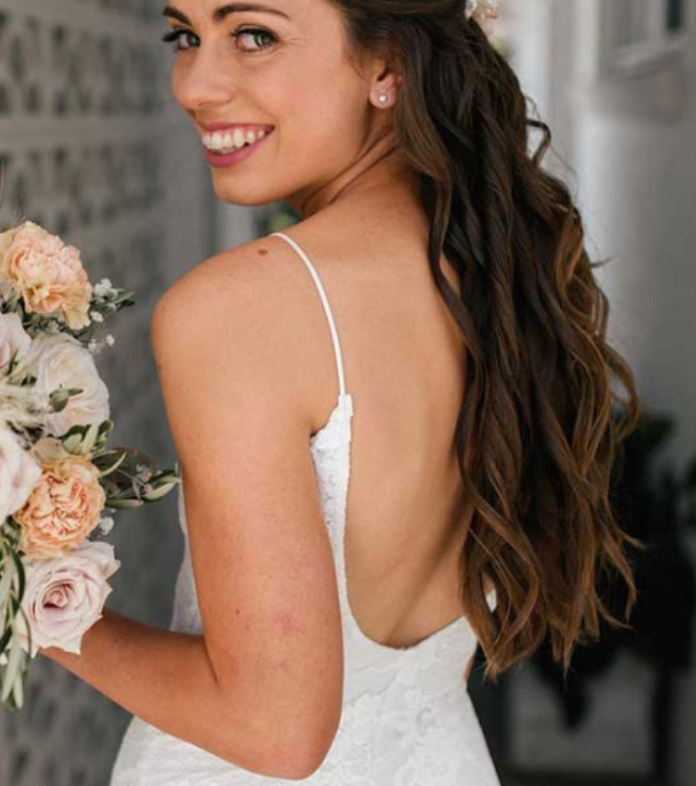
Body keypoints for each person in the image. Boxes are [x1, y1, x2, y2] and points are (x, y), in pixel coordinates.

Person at [39, 1, 642, 783]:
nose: (194, 84)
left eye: (254, 35)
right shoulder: (492, 269)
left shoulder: (238, 309)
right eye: (185, 36)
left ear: (386, 66)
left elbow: (274, 731)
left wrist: (23, 594)